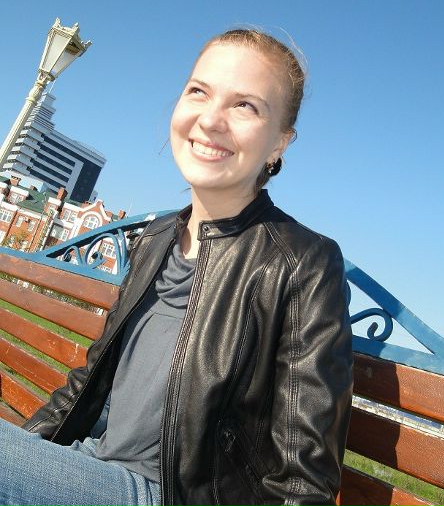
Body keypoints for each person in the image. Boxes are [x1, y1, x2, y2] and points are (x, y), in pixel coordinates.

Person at [1, 29, 352, 506]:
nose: (210, 120)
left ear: (279, 144)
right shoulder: (157, 238)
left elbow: (303, 480)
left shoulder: (303, 263)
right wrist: (25, 451)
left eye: (245, 105)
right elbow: (89, 382)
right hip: (92, 464)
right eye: (199, 91)